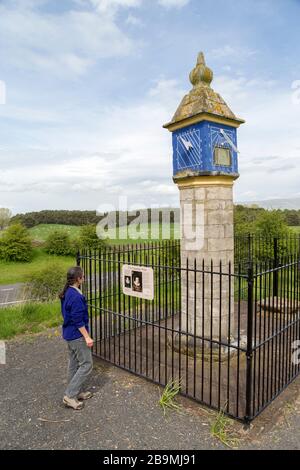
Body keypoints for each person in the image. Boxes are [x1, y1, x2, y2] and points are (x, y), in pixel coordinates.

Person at [59, 266, 93, 410]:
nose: (84, 278)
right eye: (83, 276)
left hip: (68, 333)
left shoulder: (67, 292)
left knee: (73, 364)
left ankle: (76, 391)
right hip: (77, 335)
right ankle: (70, 395)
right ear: (78, 279)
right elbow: (78, 320)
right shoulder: (76, 297)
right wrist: (87, 337)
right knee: (87, 364)